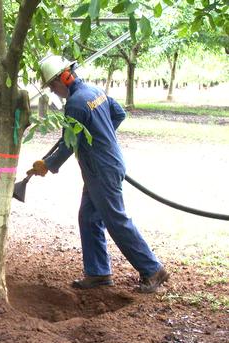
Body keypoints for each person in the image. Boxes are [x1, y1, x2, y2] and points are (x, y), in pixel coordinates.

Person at [27, 55, 169, 293]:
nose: (53, 90)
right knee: (89, 218)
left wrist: (47, 165)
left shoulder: (75, 103)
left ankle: (152, 269)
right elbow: (118, 113)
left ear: (64, 76)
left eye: (52, 84)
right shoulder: (94, 91)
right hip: (104, 166)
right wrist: (102, 136)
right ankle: (98, 273)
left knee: (116, 220)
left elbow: (68, 144)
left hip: (101, 170)